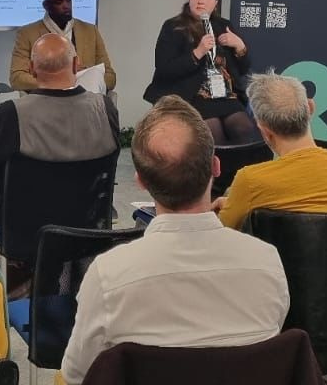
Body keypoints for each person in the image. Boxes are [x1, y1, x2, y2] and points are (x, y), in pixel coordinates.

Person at [60, 96, 289, 385]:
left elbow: (77, 375)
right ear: (215, 166)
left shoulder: (108, 276)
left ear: (140, 181)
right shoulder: (267, 262)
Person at [0, 34, 120, 293]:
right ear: (76, 65)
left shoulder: (11, 115)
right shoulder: (104, 110)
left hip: (26, 235)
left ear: (31, 69)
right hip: (88, 228)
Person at [215, 72, 327, 230]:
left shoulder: (250, 181)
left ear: (265, 131)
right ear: (310, 108)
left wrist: (234, 203)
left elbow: (221, 232)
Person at [144, 0, 254, 145]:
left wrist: (240, 46)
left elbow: (243, 69)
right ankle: (215, 164)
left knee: (243, 128)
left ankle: (239, 164)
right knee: (212, 130)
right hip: (192, 95)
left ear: (215, 3)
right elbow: (164, 69)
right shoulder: (173, 27)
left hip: (224, 95)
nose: (200, 1)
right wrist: (197, 52)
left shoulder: (223, 25)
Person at [10, 0, 116, 92]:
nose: (66, 6)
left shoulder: (90, 31)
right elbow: (17, 79)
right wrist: (59, 82)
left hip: (85, 98)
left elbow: (110, 78)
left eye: (68, 0)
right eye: (59, 2)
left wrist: (88, 74)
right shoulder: (27, 34)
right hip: (46, 100)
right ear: (46, 6)